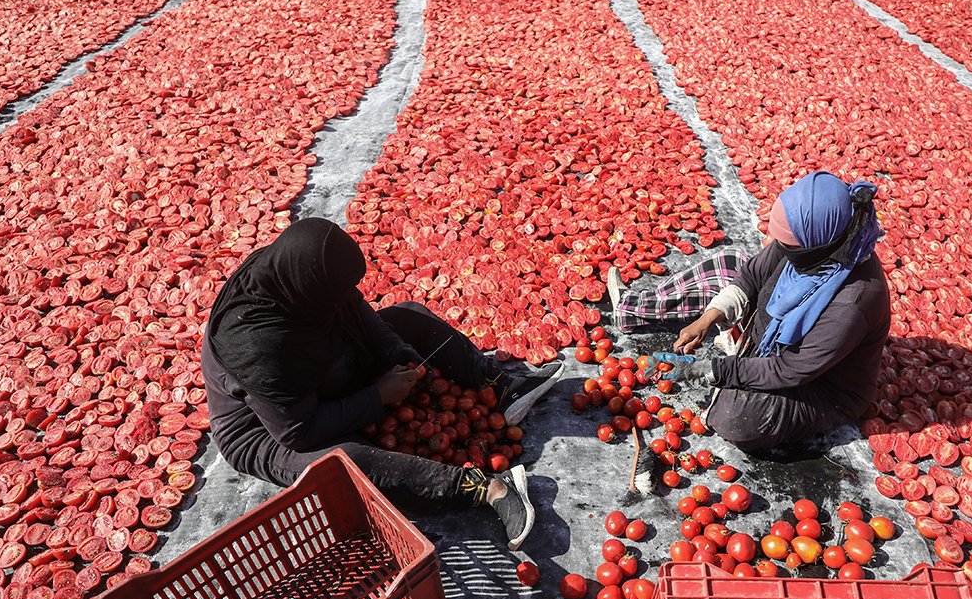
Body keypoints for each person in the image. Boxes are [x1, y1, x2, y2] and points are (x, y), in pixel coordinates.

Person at [201, 218, 562, 548]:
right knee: (347, 461)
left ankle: (498, 386)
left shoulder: (296, 274)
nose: (348, 297)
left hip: (322, 372)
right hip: (273, 430)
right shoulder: (258, 345)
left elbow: (355, 308)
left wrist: (397, 353)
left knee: (410, 316)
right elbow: (300, 430)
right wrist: (377, 395)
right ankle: (484, 488)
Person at [618, 170, 890, 453]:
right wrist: (709, 317)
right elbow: (750, 276)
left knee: (738, 418)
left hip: (818, 386)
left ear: (818, 241)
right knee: (730, 262)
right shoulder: (816, 242)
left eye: (790, 246)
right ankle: (636, 308)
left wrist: (712, 370)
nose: (781, 249)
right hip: (771, 347)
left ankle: (744, 376)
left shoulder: (853, 301)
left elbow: (788, 369)